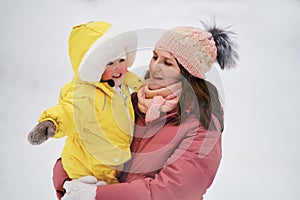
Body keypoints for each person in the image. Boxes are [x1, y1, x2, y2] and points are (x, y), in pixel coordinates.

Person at [53, 21, 239, 200]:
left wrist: (97, 196)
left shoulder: (202, 124)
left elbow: (174, 191)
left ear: (188, 74)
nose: (155, 66)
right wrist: (69, 183)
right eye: (155, 56)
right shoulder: (131, 101)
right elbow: (83, 146)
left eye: (168, 63)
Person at [27, 21, 143, 187]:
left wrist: (149, 83)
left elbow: (133, 79)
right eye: (109, 63)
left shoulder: (118, 81)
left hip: (112, 158)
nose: (118, 69)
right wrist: (51, 123)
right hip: (91, 167)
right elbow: (70, 110)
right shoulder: (86, 96)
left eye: (121, 60)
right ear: (93, 68)